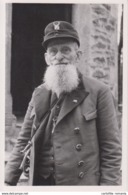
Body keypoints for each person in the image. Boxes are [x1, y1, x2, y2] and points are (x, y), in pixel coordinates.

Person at [5, 21, 121, 186]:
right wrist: (8, 180)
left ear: (78, 55)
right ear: (47, 58)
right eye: (53, 51)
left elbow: (111, 150)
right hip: (41, 183)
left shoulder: (99, 92)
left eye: (66, 50)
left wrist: (108, 189)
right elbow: (23, 140)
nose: (59, 56)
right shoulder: (39, 93)